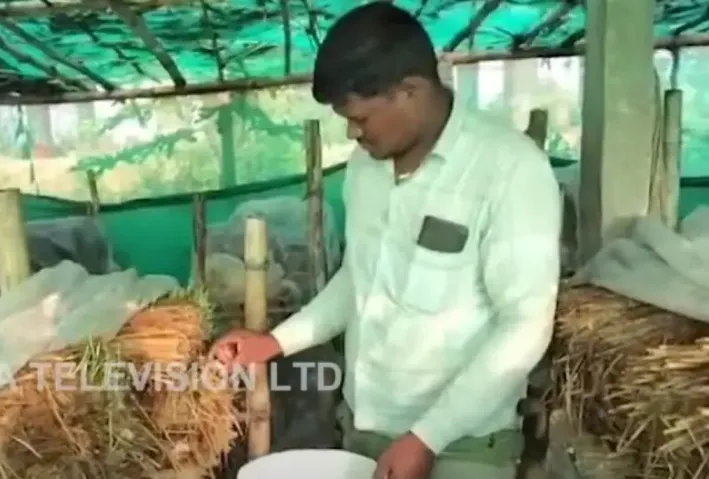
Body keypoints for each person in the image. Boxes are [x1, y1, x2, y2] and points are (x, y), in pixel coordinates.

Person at [211, 3, 562, 479]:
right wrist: (273, 342)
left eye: (360, 118)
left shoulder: (510, 170)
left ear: (410, 91)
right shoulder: (365, 168)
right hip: (365, 425)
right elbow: (359, 277)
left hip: (464, 446)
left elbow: (525, 326)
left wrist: (428, 437)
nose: (352, 133)